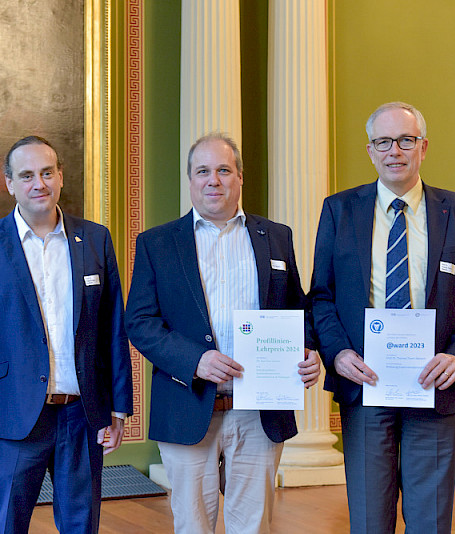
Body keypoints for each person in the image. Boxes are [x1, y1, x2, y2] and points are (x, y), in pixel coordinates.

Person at [310, 101, 455, 533]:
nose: (395, 150)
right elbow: (321, 297)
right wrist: (337, 354)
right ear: (371, 150)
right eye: (383, 141)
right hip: (365, 385)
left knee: (430, 520)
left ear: (423, 147)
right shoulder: (340, 211)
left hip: (433, 388)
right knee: (370, 519)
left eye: (406, 140)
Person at [125, 133, 321, 533]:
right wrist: (195, 360)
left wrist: (309, 350)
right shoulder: (157, 244)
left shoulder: (276, 237)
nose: (213, 180)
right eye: (203, 171)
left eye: (223, 170)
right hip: (187, 406)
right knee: (193, 525)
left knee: (254, 525)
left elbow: (298, 308)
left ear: (239, 178)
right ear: (191, 180)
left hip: (259, 411)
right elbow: (140, 322)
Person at [0, 135, 133, 534]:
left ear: (61, 176)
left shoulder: (96, 239)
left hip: (83, 414)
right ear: (9, 183)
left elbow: (112, 329)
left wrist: (118, 408)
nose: (39, 184)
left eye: (47, 172)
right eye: (27, 175)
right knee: (7, 527)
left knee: (82, 525)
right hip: (15, 417)